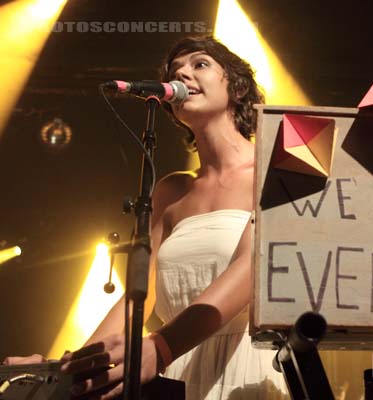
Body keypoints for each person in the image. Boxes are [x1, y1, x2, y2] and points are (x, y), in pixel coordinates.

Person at [5, 36, 289, 400]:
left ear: (236, 86)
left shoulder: (274, 168)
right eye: (175, 71)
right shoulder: (171, 192)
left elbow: (254, 267)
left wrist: (162, 346)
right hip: (177, 372)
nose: (183, 73)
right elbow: (137, 299)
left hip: (250, 370)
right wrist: (64, 371)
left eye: (200, 64)